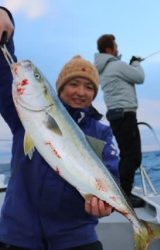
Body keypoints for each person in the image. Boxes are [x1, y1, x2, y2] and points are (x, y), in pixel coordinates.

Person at [0, 7, 119, 250]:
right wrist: (5, 20)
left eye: (89, 87)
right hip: (19, 235)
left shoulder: (101, 133)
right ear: (57, 88)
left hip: (76, 237)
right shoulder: (23, 115)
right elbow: (3, 68)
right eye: (73, 83)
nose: (81, 92)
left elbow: (110, 174)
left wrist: (104, 203)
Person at [94, 34, 145, 207]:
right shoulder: (116, 65)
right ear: (109, 49)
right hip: (126, 115)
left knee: (127, 155)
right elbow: (139, 78)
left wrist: (130, 66)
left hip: (116, 115)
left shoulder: (104, 69)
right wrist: (136, 63)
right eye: (115, 46)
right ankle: (124, 196)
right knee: (133, 157)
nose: (118, 49)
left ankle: (122, 191)